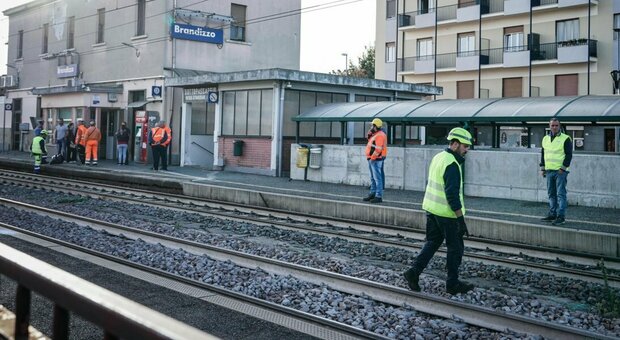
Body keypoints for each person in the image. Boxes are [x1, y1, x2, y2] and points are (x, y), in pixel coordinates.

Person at [403, 127, 475, 295]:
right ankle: (452, 284)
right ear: (455, 144)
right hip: (447, 214)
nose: (467, 150)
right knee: (455, 249)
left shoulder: (438, 157)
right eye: (465, 146)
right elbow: (452, 195)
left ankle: (413, 272)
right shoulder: (452, 164)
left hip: (432, 210)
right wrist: (460, 220)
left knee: (432, 243)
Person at [540, 118, 572, 226]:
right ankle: (552, 214)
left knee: (560, 194)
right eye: (552, 125)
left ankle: (561, 216)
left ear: (560, 126)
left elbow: (569, 155)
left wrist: (563, 168)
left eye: (556, 125)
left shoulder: (566, 138)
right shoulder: (545, 139)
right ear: (549, 126)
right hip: (549, 171)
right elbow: (543, 154)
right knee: (551, 193)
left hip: (560, 171)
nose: (554, 127)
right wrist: (542, 168)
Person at [362, 118, 387, 203]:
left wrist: (372, 158)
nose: (371, 126)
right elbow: (370, 142)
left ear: (376, 126)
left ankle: (378, 196)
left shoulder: (380, 135)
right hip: (372, 159)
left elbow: (378, 149)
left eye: (372, 125)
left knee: (377, 178)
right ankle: (373, 193)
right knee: (373, 178)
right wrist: (370, 133)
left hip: (375, 159)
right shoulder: (376, 134)